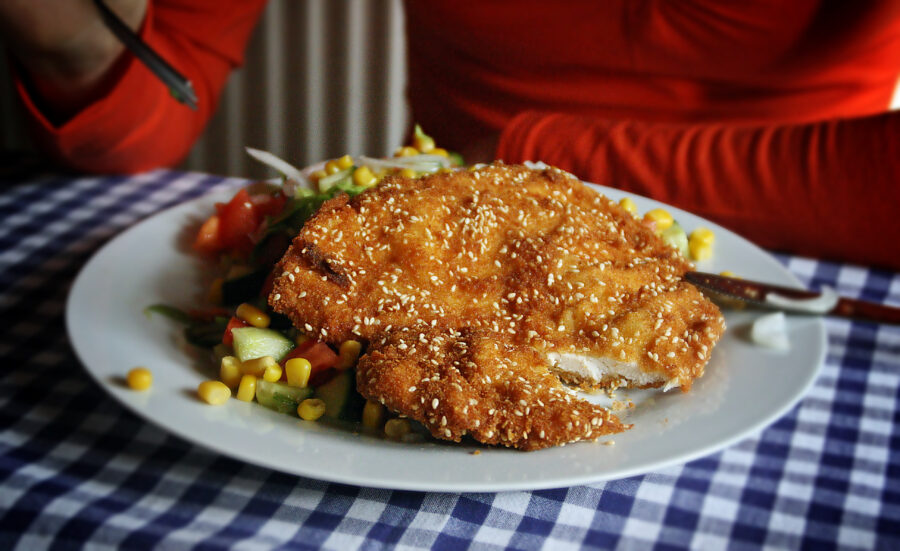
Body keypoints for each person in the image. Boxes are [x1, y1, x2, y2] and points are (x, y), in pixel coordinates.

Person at [1, 1, 898, 269]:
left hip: (802, 282)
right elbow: (165, 81)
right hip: (426, 254)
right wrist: (70, 33)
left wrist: (521, 160)